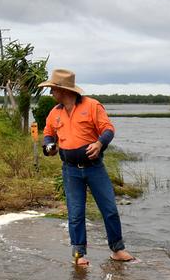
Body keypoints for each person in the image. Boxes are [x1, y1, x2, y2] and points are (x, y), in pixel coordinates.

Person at [39, 68, 135, 266]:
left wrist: (99, 144)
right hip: (70, 170)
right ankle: (79, 255)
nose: (51, 94)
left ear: (63, 90)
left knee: (109, 209)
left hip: (94, 168)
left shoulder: (92, 106)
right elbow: (48, 135)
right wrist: (49, 147)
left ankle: (117, 249)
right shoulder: (54, 113)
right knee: (75, 213)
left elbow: (108, 129)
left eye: (53, 89)